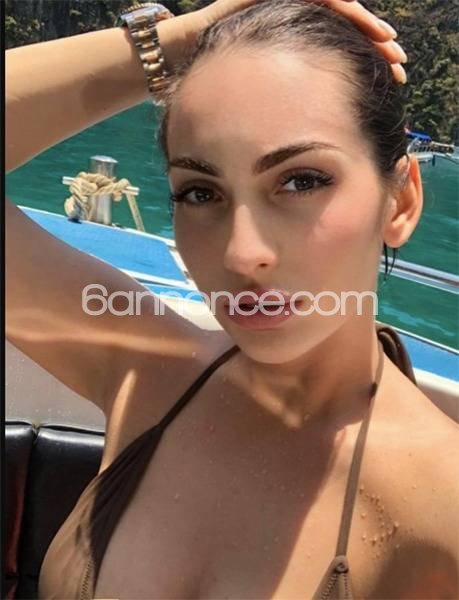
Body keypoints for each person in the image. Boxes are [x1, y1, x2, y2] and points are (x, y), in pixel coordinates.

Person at [5, 0, 458, 598]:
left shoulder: (441, 501)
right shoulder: (145, 371)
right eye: (199, 192)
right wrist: (171, 44)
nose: (243, 255)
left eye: (301, 181)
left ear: (399, 202)